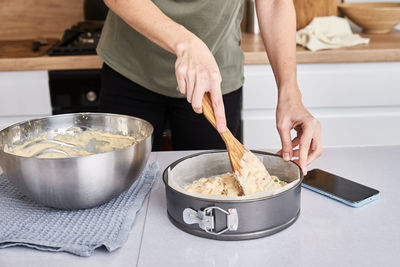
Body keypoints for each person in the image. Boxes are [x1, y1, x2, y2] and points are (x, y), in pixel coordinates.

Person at [97, 0, 322, 175]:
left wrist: (289, 92)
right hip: (131, 68)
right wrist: (186, 43)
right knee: (120, 187)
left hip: (215, 80)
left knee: (213, 191)